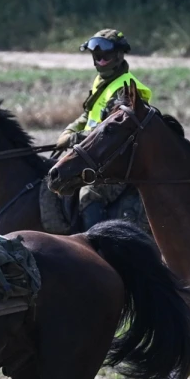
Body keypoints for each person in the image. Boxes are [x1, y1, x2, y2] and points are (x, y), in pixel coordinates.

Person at [55, 29, 153, 230]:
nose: (100, 58)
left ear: (119, 54)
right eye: (96, 54)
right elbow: (87, 116)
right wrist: (68, 131)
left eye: (106, 54)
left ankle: (99, 245)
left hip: (116, 161)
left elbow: (110, 134)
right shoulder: (102, 82)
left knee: (89, 193)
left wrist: (73, 140)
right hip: (94, 153)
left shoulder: (125, 88)